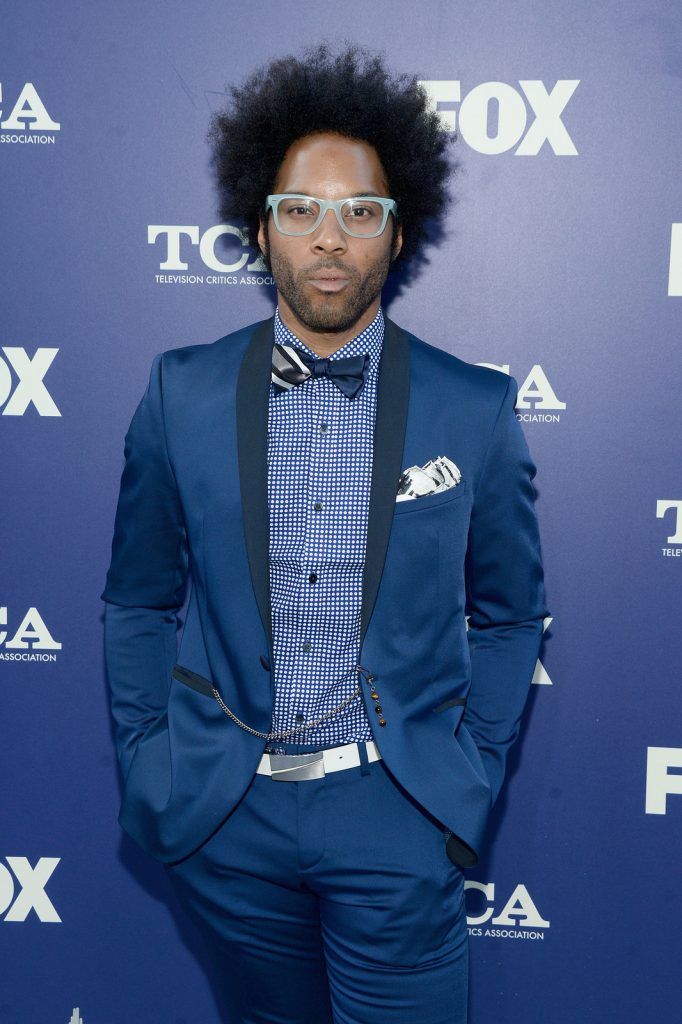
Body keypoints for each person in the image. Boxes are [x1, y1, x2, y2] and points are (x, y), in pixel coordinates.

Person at [101, 41, 548, 1024]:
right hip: (226, 819)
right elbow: (136, 597)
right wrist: (147, 756)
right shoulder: (180, 393)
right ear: (260, 232)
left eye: (360, 211)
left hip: (396, 816)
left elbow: (512, 616)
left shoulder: (472, 410)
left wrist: (462, 774)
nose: (329, 237)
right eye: (300, 209)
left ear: (399, 233)